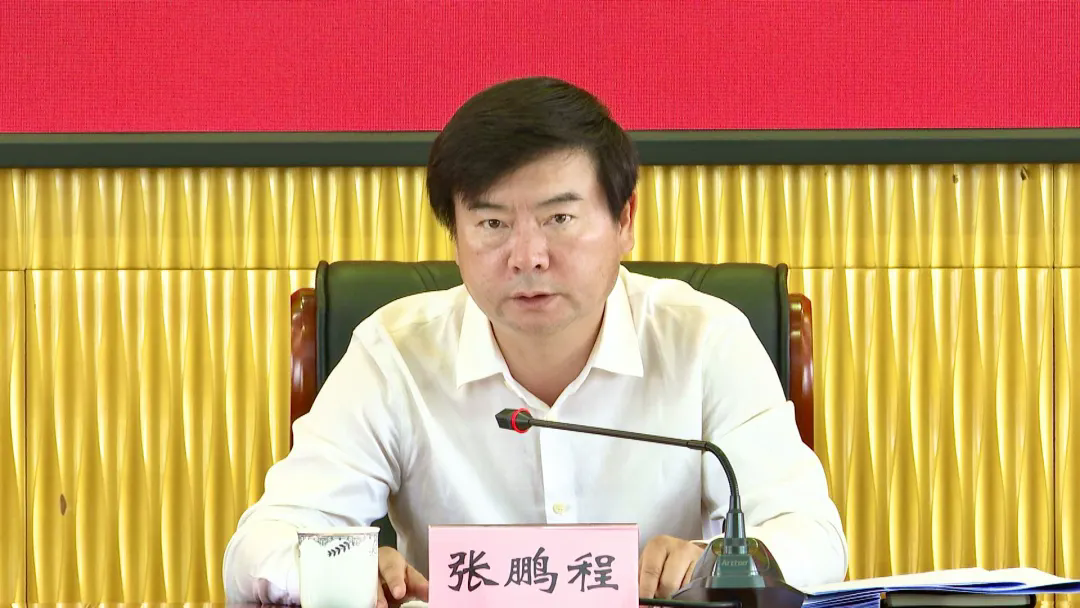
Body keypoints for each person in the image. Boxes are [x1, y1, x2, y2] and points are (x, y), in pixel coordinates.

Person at [223, 76, 848, 607]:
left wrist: (718, 562)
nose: (528, 256)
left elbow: (812, 537)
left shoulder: (706, 340)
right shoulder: (396, 354)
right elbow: (260, 546)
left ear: (624, 221)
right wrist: (336, 572)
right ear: (456, 236)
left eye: (560, 218)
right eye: (492, 223)